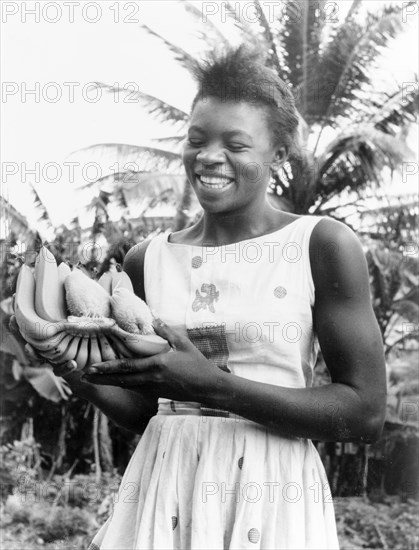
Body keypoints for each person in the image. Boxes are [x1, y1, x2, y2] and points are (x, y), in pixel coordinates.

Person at [57, 46, 386, 549]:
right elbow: (148, 409)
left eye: (236, 144)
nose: (209, 157)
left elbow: (364, 414)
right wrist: (72, 371)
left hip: (270, 491)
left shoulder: (321, 244)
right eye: (196, 139)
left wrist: (212, 386)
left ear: (278, 152)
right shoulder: (149, 258)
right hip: (166, 488)